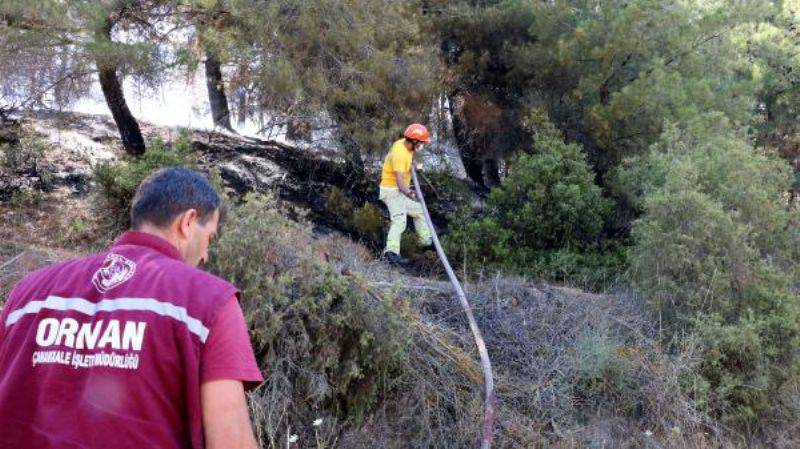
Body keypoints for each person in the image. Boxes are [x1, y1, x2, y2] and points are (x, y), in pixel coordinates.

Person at [0, 167, 262, 449]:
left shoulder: (28, 293)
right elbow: (231, 442)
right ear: (188, 221)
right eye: (209, 237)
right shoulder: (210, 301)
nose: (206, 256)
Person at [379, 123, 433, 263]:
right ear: (414, 141)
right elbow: (399, 182)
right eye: (421, 142)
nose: (422, 145)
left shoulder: (403, 144)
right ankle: (390, 253)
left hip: (399, 191)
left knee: (419, 210)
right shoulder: (400, 154)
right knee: (399, 220)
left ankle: (426, 242)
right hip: (392, 191)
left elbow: (407, 162)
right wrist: (411, 193)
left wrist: (413, 165)